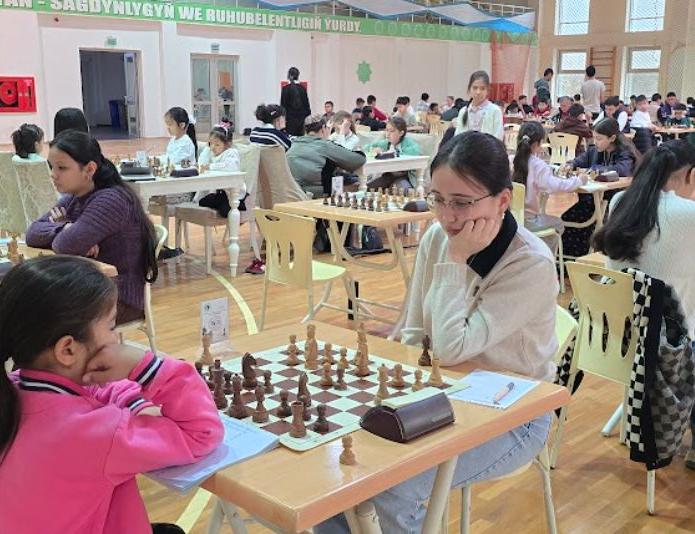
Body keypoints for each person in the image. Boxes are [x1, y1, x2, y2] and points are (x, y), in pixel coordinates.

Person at [315, 131, 558, 533]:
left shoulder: (530, 263)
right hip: (440, 395)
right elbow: (414, 330)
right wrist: (400, 393)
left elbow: (449, 347)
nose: (447, 216)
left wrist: (456, 260)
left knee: (390, 488)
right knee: (338, 477)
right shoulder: (436, 237)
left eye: (461, 202)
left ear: (502, 201)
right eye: (437, 199)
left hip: (513, 415)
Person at [0, 255, 224, 534]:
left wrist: (134, 403)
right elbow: (202, 433)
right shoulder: (98, 434)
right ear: (68, 350)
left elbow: (94, 388)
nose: (116, 338)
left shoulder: (14, 389)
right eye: (110, 326)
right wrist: (145, 366)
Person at [592, 139, 695, 469]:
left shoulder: (620, 201)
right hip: (666, 348)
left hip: (616, 338)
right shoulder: (689, 215)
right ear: (690, 175)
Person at [25, 130, 160, 325]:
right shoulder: (73, 197)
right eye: (51, 167)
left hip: (117, 299)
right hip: (88, 288)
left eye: (62, 168)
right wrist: (66, 227)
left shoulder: (111, 199)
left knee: (32, 316)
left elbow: (64, 245)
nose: (53, 175)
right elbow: (32, 233)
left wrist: (69, 233)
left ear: (89, 169)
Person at [559, 118, 638, 257]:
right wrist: (571, 164)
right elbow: (580, 160)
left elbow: (623, 170)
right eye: (594, 138)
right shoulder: (595, 150)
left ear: (612, 138)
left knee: (586, 222)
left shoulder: (625, 152)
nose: (595, 142)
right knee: (567, 218)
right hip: (591, 199)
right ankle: (568, 259)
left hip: (612, 201)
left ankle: (582, 257)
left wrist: (595, 169)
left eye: (599, 138)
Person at [512, 121, 586, 234]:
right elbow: (555, 186)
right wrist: (578, 180)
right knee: (558, 223)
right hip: (528, 220)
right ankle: (543, 246)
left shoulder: (509, 160)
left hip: (509, 218)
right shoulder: (538, 165)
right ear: (538, 143)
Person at [286, 114, 365, 198]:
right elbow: (357, 160)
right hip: (316, 195)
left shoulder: (294, 144)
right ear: (323, 128)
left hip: (293, 193)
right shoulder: (324, 145)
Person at [196, 122, 241, 218]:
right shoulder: (211, 153)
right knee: (202, 202)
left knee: (225, 210)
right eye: (210, 143)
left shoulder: (231, 152)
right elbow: (201, 164)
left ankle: (236, 206)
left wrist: (210, 166)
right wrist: (207, 148)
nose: (213, 147)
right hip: (217, 191)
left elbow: (230, 167)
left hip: (231, 192)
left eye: (217, 144)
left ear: (227, 144)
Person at [364, 116, 420, 191]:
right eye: (387, 130)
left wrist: (395, 153)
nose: (388, 134)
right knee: (368, 188)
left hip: (403, 176)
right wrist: (373, 150)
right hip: (388, 176)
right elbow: (366, 147)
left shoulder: (408, 143)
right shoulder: (386, 143)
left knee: (404, 190)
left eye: (392, 131)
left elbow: (415, 152)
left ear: (401, 133)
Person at [455, 71, 503, 140]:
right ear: (469, 89)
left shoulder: (495, 111)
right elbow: (457, 138)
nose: (478, 92)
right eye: (475, 88)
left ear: (488, 91)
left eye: (482, 88)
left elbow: (498, 138)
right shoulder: (463, 111)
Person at [280, 67, 311, 136]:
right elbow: (307, 108)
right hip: (301, 123)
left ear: (289, 75)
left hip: (289, 122)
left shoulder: (285, 89)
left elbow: (283, 108)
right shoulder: (302, 89)